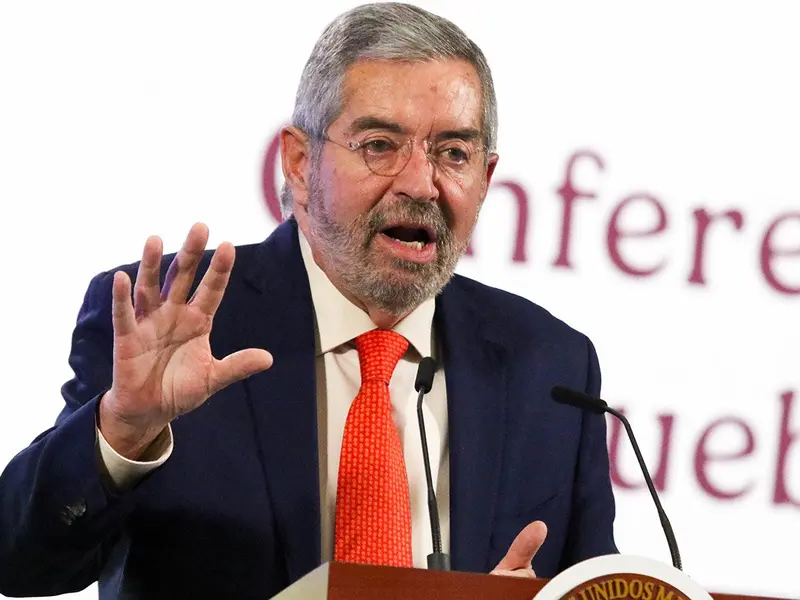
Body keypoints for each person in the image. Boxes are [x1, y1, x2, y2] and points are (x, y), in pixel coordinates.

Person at [0, 3, 616, 598]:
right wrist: (122, 432)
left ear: (485, 178)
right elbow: (17, 563)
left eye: (454, 153)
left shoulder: (552, 367)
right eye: (380, 144)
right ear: (299, 162)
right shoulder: (168, 320)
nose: (420, 183)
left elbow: (595, 582)